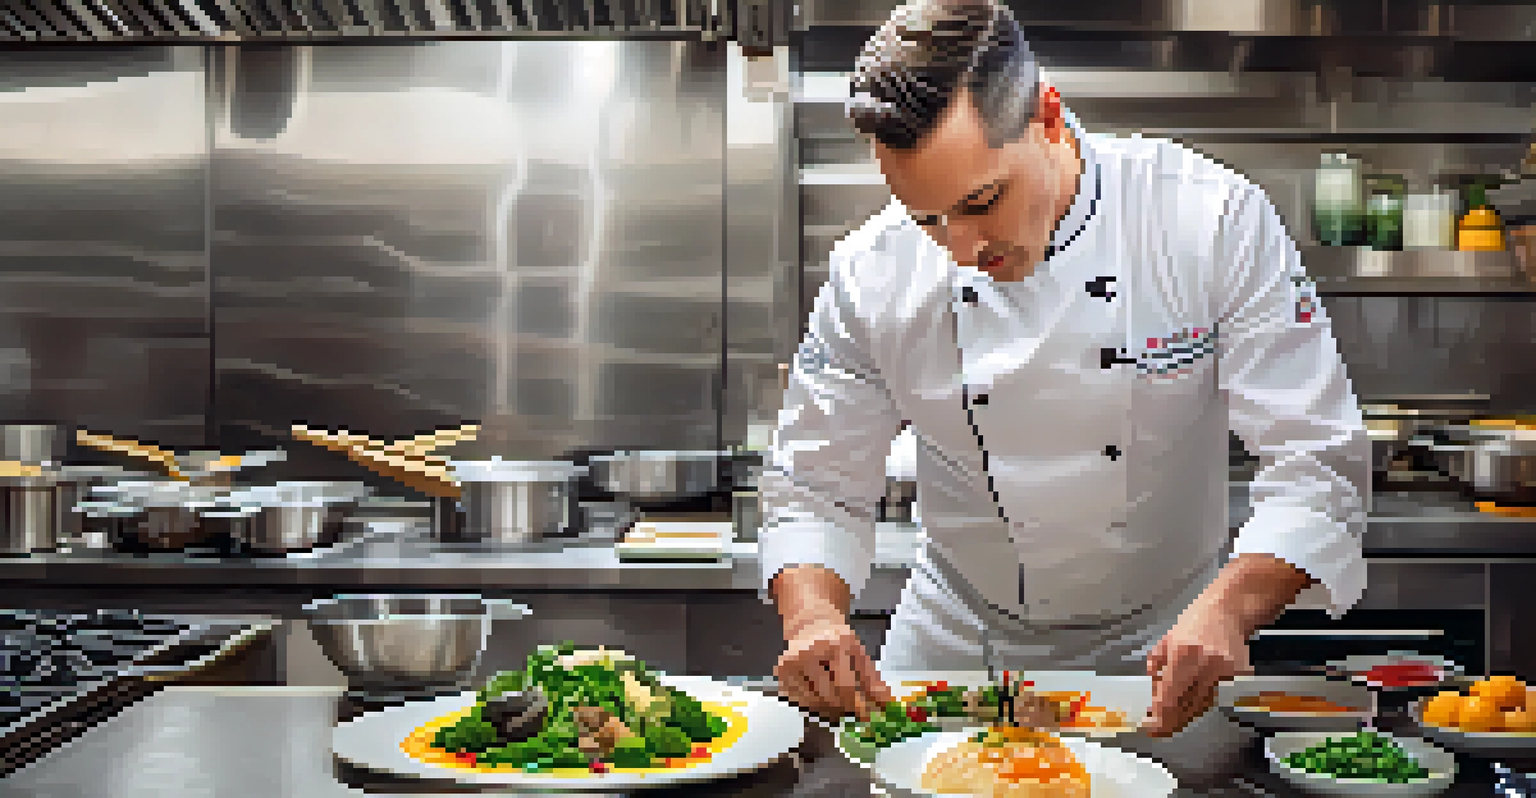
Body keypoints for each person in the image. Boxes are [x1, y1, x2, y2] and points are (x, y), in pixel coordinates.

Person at [759, 0, 1369, 779]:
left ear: (1048, 115)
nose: (964, 249)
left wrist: (1230, 610)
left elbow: (1317, 464)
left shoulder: (1206, 220)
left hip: (1163, 653)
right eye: (928, 220)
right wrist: (811, 615)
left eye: (982, 202)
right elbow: (813, 484)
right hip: (953, 649)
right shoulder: (869, 272)